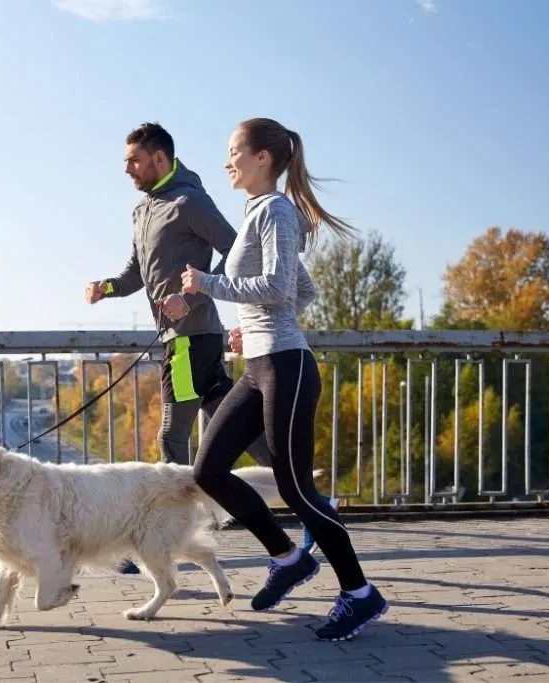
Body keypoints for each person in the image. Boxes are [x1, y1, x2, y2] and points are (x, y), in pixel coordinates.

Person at [174, 117, 388, 641]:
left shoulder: (276, 209)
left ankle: (360, 594)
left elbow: (277, 284)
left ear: (263, 157)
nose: (227, 161)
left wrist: (209, 283)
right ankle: (288, 558)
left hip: (287, 366)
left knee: (296, 488)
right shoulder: (259, 213)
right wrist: (254, 328)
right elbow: (302, 290)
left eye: (234, 152)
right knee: (208, 469)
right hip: (262, 364)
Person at [86, 122, 312, 573]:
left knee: (173, 441)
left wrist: (191, 295)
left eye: (133, 160)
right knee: (239, 433)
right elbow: (136, 274)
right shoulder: (143, 211)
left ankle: (156, 542)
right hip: (180, 340)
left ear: (159, 159)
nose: (127, 169)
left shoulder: (190, 202)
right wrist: (106, 287)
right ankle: (312, 502)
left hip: (193, 338)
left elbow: (236, 252)